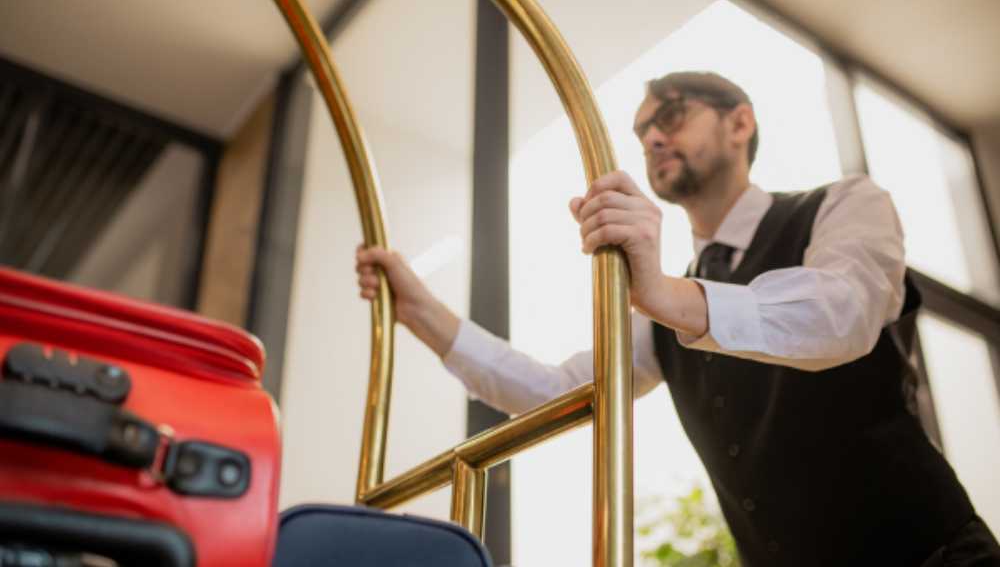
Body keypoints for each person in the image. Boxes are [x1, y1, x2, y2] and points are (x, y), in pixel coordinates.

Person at [355, 71, 1000, 566]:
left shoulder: (846, 204)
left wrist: (663, 291)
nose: (653, 138)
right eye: (642, 132)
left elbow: (843, 312)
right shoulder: (668, 303)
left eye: (671, 116)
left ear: (740, 122)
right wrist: (419, 312)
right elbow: (553, 393)